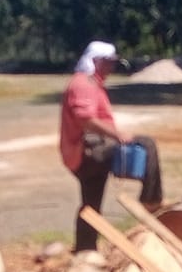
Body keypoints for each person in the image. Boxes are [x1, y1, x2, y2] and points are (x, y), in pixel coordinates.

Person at [60, 40, 163, 255]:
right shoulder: (83, 84)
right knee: (147, 146)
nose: (111, 67)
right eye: (108, 63)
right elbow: (85, 119)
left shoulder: (89, 82)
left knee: (91, 203)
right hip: (87, 151)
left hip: (86, 150)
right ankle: (151, 202)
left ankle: (85, 248)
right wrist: (117, 135)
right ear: (96, 61)